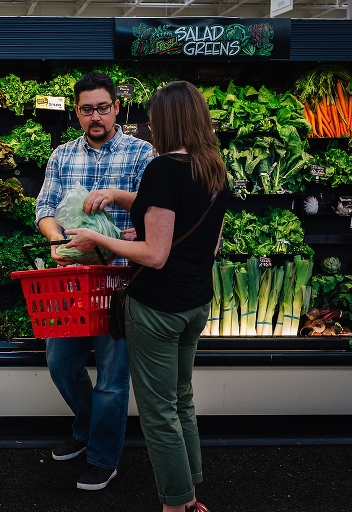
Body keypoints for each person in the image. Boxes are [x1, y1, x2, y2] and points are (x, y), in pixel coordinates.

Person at [63, 80, 229, 512]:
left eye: (154, 115)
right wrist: (124, 201)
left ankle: (175, 504)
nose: (150, 123)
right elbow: (207, 244)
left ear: (166, 120)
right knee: (182, 400)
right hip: (196, 301)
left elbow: (153, 255)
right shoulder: (213, 167)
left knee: (159, 414)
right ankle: (192, 491)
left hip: (157, 308)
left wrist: (98, 240)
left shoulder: (161, 168)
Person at [35, 71, 155, 491]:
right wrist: (59, 241)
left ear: (117, 108)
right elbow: (45, 208)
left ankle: (104, 456)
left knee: (112, 375)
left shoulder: (142, 153)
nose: (96, 116)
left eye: (103, 107)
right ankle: (86, 426)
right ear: (76, 113)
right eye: (87, 109)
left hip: (120, 283)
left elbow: (157, 208)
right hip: (69, 280)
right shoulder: (62, 155)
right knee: (60, 363)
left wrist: (119, 204)